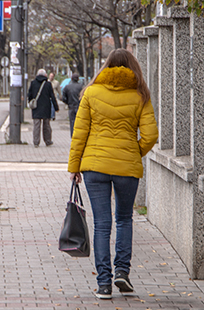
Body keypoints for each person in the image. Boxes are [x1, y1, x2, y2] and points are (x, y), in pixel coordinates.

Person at [67, 49, 158, 300]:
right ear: (132, 68)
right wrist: (132, 152)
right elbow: (150, 136)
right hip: (127, 168)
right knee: (124, 219)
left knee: (102, 224)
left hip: (94, 167)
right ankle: (122, 272)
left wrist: (74, 167)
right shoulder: (140, 95)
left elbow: (80, 133)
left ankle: (104, 284)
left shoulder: (92, 92)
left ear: (106, 67)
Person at [28, 69, 59, 147]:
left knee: (36, 125)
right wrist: (56, 107)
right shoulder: (48, 84)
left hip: (36, 107)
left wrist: (31, 102)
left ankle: (36, 142)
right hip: (46, 107)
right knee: (46, 125)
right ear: (45, 75)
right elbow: (52, 96)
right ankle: (48, 141)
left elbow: (29, 95)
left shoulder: (33, 83)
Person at [61, 73, 83, 137]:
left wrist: (68, 102)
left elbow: (63, 98)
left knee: (72, 122)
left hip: (71, 106)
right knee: (79, 122)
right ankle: (79, 135)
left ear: (71, 79)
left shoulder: (67, 87)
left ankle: (73, 136)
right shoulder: (81, 87)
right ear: (78, 79)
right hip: (79, 107)